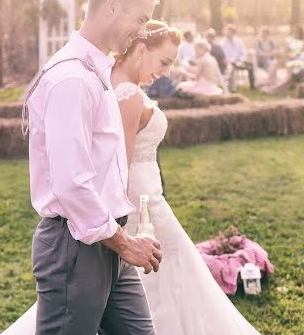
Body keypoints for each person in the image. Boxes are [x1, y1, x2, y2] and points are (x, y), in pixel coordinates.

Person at [9, 0, 162, 335]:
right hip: (74, 248)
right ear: (111, 7)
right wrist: (125, 245)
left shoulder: (95, 70)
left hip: (107, 239)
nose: (141, 30)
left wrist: (120, 239)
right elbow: (72, 183)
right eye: (139, 18)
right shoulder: (73, 78)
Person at [110, 20, 262, 334]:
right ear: (141, 50)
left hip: (149, 195)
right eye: (163, 62)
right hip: (141, 203)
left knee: (173, 272)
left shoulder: (125, 88)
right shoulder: (128, 96)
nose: (166, 72)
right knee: (171, 269)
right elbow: (118, 166)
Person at [221, 25, 255, 90]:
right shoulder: (223, 42)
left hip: (239, 61)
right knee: (232, 68)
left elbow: (243, 52)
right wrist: (232, 61)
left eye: (230, 32)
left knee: (250, 66)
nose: (228, 34)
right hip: (229, 62)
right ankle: (232, 88)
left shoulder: (239, 41)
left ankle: (252, 86)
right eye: (227, 32)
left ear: (233, 33)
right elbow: (223, 55)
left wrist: (241, 60)